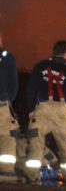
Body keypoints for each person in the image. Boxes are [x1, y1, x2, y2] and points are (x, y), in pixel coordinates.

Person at [24, 40, 66, 187]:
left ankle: (31, 178)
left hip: (42, 109)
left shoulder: (40, 66)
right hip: (61, 112)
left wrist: (30, 109)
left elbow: (30, 89)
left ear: (53, 51)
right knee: (65, 145)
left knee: (35, 143)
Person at [0, 32, 17, 176]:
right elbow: (13, 84)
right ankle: (6, 172)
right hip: (2, 103)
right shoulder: (7, 57)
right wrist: (7, 99)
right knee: (6, 136)